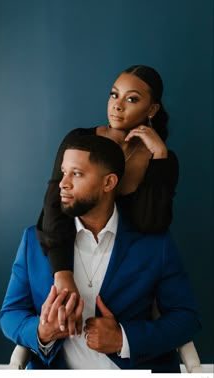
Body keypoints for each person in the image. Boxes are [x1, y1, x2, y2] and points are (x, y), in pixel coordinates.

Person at [0, 135, 201, 371]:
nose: (63, 183)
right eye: (64, 172)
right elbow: (10, 314)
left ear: (109, 183)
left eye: (77, 173)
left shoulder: (155, 244)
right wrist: (42, 332)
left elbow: (186, 318)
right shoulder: (33, 241)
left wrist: (123, 338)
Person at [36, 65, 179, 309]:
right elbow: (54, 206)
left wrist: (159, 155)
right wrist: (62, 272)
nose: (117, 105)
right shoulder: (79, 141)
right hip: (72, 256)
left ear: (152, 109)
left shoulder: (161, 160)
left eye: (131, 99)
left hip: (127, 275)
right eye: (114, 94)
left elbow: (151, 223)